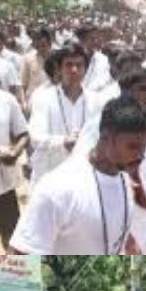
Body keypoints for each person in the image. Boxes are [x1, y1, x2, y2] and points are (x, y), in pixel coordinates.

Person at [10, 96, 146, 254]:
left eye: (145, 147)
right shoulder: (57, 189)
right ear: (105, 137)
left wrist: (130, 244)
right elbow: (19, 256)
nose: (141, 156)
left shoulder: (123, 177)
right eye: (133, 146)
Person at [28, 44, 101, 186]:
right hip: (49, 176)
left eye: (79, 65)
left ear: (86, 69)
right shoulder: (43, 98)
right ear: (59, 69)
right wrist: (63, 142)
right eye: (69, 65)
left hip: (84, 177)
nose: (74, 70)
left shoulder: (96, 101)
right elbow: (35, 137)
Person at [0, 40, 30, 249]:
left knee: (15, 245)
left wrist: (15, 153)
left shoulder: (7, 100)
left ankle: (13, 273)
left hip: (1, 187)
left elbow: (23, 133)